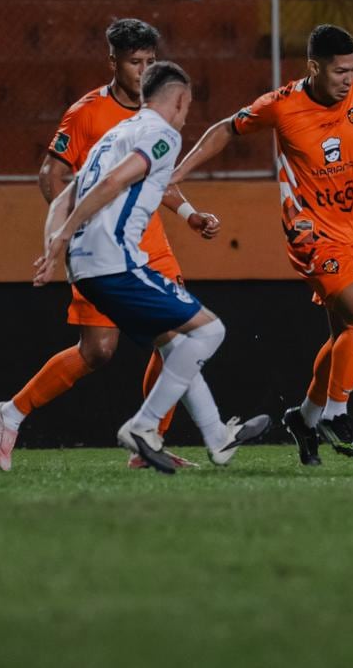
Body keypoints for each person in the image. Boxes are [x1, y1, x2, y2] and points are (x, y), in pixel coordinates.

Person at [171, 24, 353, 465]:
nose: (348, 79)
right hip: (310, 235)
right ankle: (336, 413)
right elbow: (226, 128)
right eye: (340, 71)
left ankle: (304, 417)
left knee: (347, 336)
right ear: (314, 67)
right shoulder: (282, 105)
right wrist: (177, 175)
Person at [0, 19, 222, 472]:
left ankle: (147, 445)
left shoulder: (161, 110)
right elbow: (51, 175)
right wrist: (75, 229)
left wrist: (190, 215)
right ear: (113, 62)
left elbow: (155, 175)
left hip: (151, 247)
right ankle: (9, 413)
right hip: (106, 252)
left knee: (175, 339)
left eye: (151, 61)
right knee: (98, 351)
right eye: (136, 62)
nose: (144, 70)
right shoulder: (87, 113)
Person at [30, 61, 270, 473]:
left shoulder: (115, 134)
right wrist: (65, 234)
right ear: (178, 100)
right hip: (116, 261)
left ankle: (218, 437)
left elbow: (63, 196)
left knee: (176, 344)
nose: (186, 113)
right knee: (210, 330)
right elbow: (113, 184)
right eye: (187, 105)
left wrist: (56, 244)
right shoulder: (162, 134)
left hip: (87, 267)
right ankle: (143, 427)